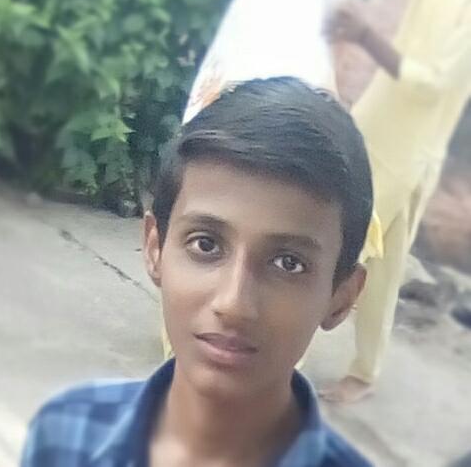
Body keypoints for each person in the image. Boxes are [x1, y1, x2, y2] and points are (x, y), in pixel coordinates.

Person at [21, 77, 373, 466]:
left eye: (288, 263)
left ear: (341, 298)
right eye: (205, 245)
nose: (234, 304)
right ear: (155, 248)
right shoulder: (66, 434)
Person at [321, 0, 471, 403]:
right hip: (376, 126)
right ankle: (356, 370)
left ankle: (335, 366)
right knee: (354, 250)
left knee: (349, 251)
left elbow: (432, 84)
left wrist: (365, 37)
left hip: (409, 154)